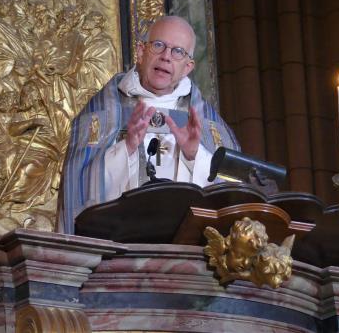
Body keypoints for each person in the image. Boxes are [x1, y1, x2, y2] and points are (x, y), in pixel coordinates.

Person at [59, 15, 239, 234]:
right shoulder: (104, 111)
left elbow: (233, 202)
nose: (166, 57)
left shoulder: (206, 122)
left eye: (178, 52)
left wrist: (195, 156)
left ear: (188, 67)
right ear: (141, 51)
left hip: (186, 251)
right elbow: (80, 182)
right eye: (158, 45)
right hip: (121, 245)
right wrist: (126, 149)